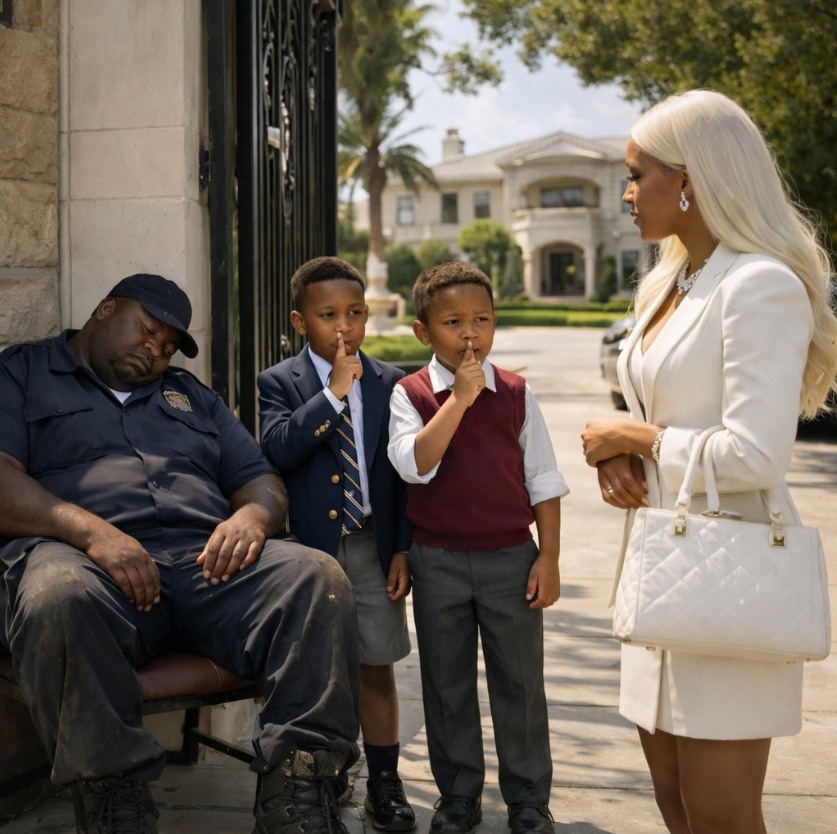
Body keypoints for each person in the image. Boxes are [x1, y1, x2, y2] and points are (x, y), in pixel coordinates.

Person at [0, 273, 361, 834]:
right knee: (55, 592)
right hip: (91, 570)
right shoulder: (22, 373)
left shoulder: (191, 396)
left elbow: (259, 478)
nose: (155, 351)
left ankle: (297, 790)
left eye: (168, 345)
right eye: (146, 331)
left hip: (208, 569)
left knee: (314, 575)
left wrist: (252, 516)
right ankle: (113, 798)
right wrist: (94, 534)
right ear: (104, 308)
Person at [581, 89, 837, 834]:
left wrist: (638, 440)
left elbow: (755, 456)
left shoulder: (758, 285)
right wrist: (619, 458)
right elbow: (665, 409)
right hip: (661, 563)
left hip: (728, 566)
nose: (625, 194)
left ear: (688, 178)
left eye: (636, 175)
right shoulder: (670, 279)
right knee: (671, 799)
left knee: (720, 814)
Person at [387, 261, 569, 834]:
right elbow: (415, 465)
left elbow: (543, 479)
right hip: (436, 561)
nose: (470, 334)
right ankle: (458, 796)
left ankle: (528, 798)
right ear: (424, 332)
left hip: (510, 559)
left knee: (519, 682)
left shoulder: (515, 392)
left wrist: (550, 555)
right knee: (446, 684)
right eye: (453, 322)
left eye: (482, 320)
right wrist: (458, 401)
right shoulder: (409, 394)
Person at [258, 256, 416, 832]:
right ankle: (322, 771)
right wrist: (331, 397)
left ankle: (385, 780)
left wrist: (402, 548)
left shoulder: (392, 382)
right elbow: (276, 450)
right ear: (301, 322)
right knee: (319, 670)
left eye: (354, 313)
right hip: (309, 554)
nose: (344, 327)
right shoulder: (279, 383)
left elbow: (401, 477)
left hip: (373, 547)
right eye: (328, 316)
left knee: (376, 666)